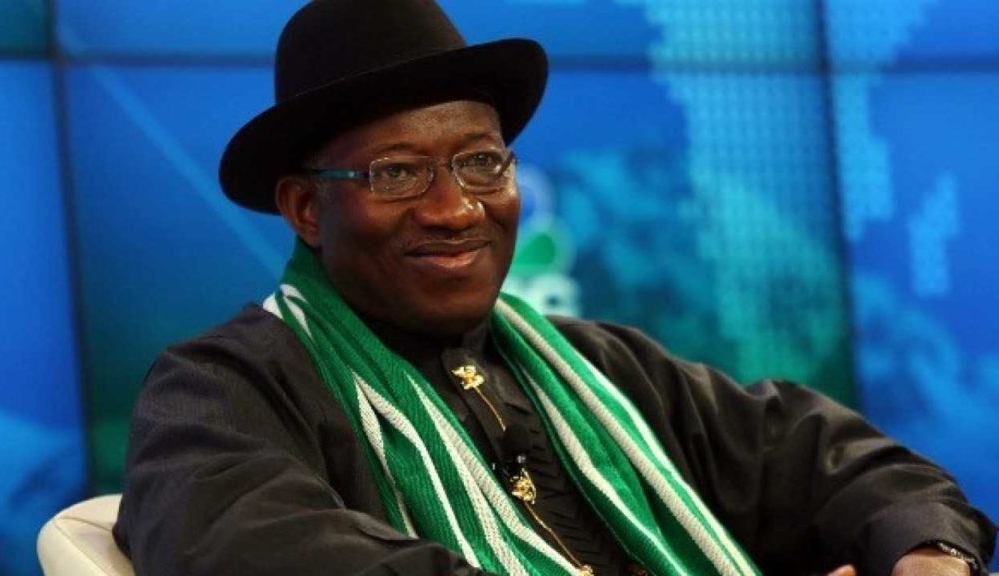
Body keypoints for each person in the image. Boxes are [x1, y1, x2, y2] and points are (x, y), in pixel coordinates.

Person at [112, 1, 996, 575]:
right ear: (307, 208)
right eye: (397, 174)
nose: (456, 209)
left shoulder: (599, 369)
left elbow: (835, 463)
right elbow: (256, 553)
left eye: (481, 162)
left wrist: (926, 554)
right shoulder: (223, 391)